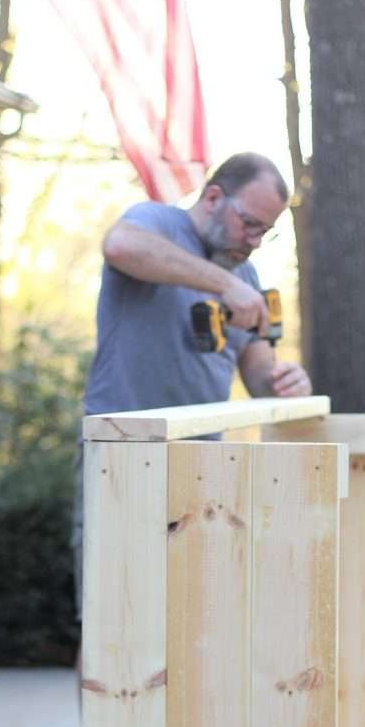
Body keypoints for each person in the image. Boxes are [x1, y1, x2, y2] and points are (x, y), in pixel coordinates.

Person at [73, 150, 312, 606]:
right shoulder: (156, 223)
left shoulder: (246, 272)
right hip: (121, 454)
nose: (256, 240)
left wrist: (286, 380)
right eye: (250, 224)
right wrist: (222, 285)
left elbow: (259, 369)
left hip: (202, 468)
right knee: (112, 621)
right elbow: (121, 246)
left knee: (193, 617)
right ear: (213, 197)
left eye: (267, 230)